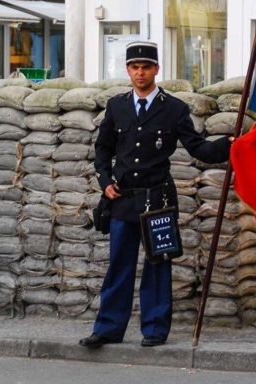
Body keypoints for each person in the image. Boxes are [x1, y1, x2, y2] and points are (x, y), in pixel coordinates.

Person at [80, 41, 231, 349]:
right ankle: (108, 328)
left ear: (156, 70)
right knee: (118, 267)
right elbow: (103, 149)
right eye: (134, 67)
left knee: (158, 265)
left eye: (145, 67)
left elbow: (198, 147)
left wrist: (230, 144)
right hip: (122, 200)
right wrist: (104, 180)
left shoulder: (174, 109)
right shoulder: (117, 106)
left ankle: (154, 329)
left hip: (158, 201)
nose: (139, 73)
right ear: (127, 70)